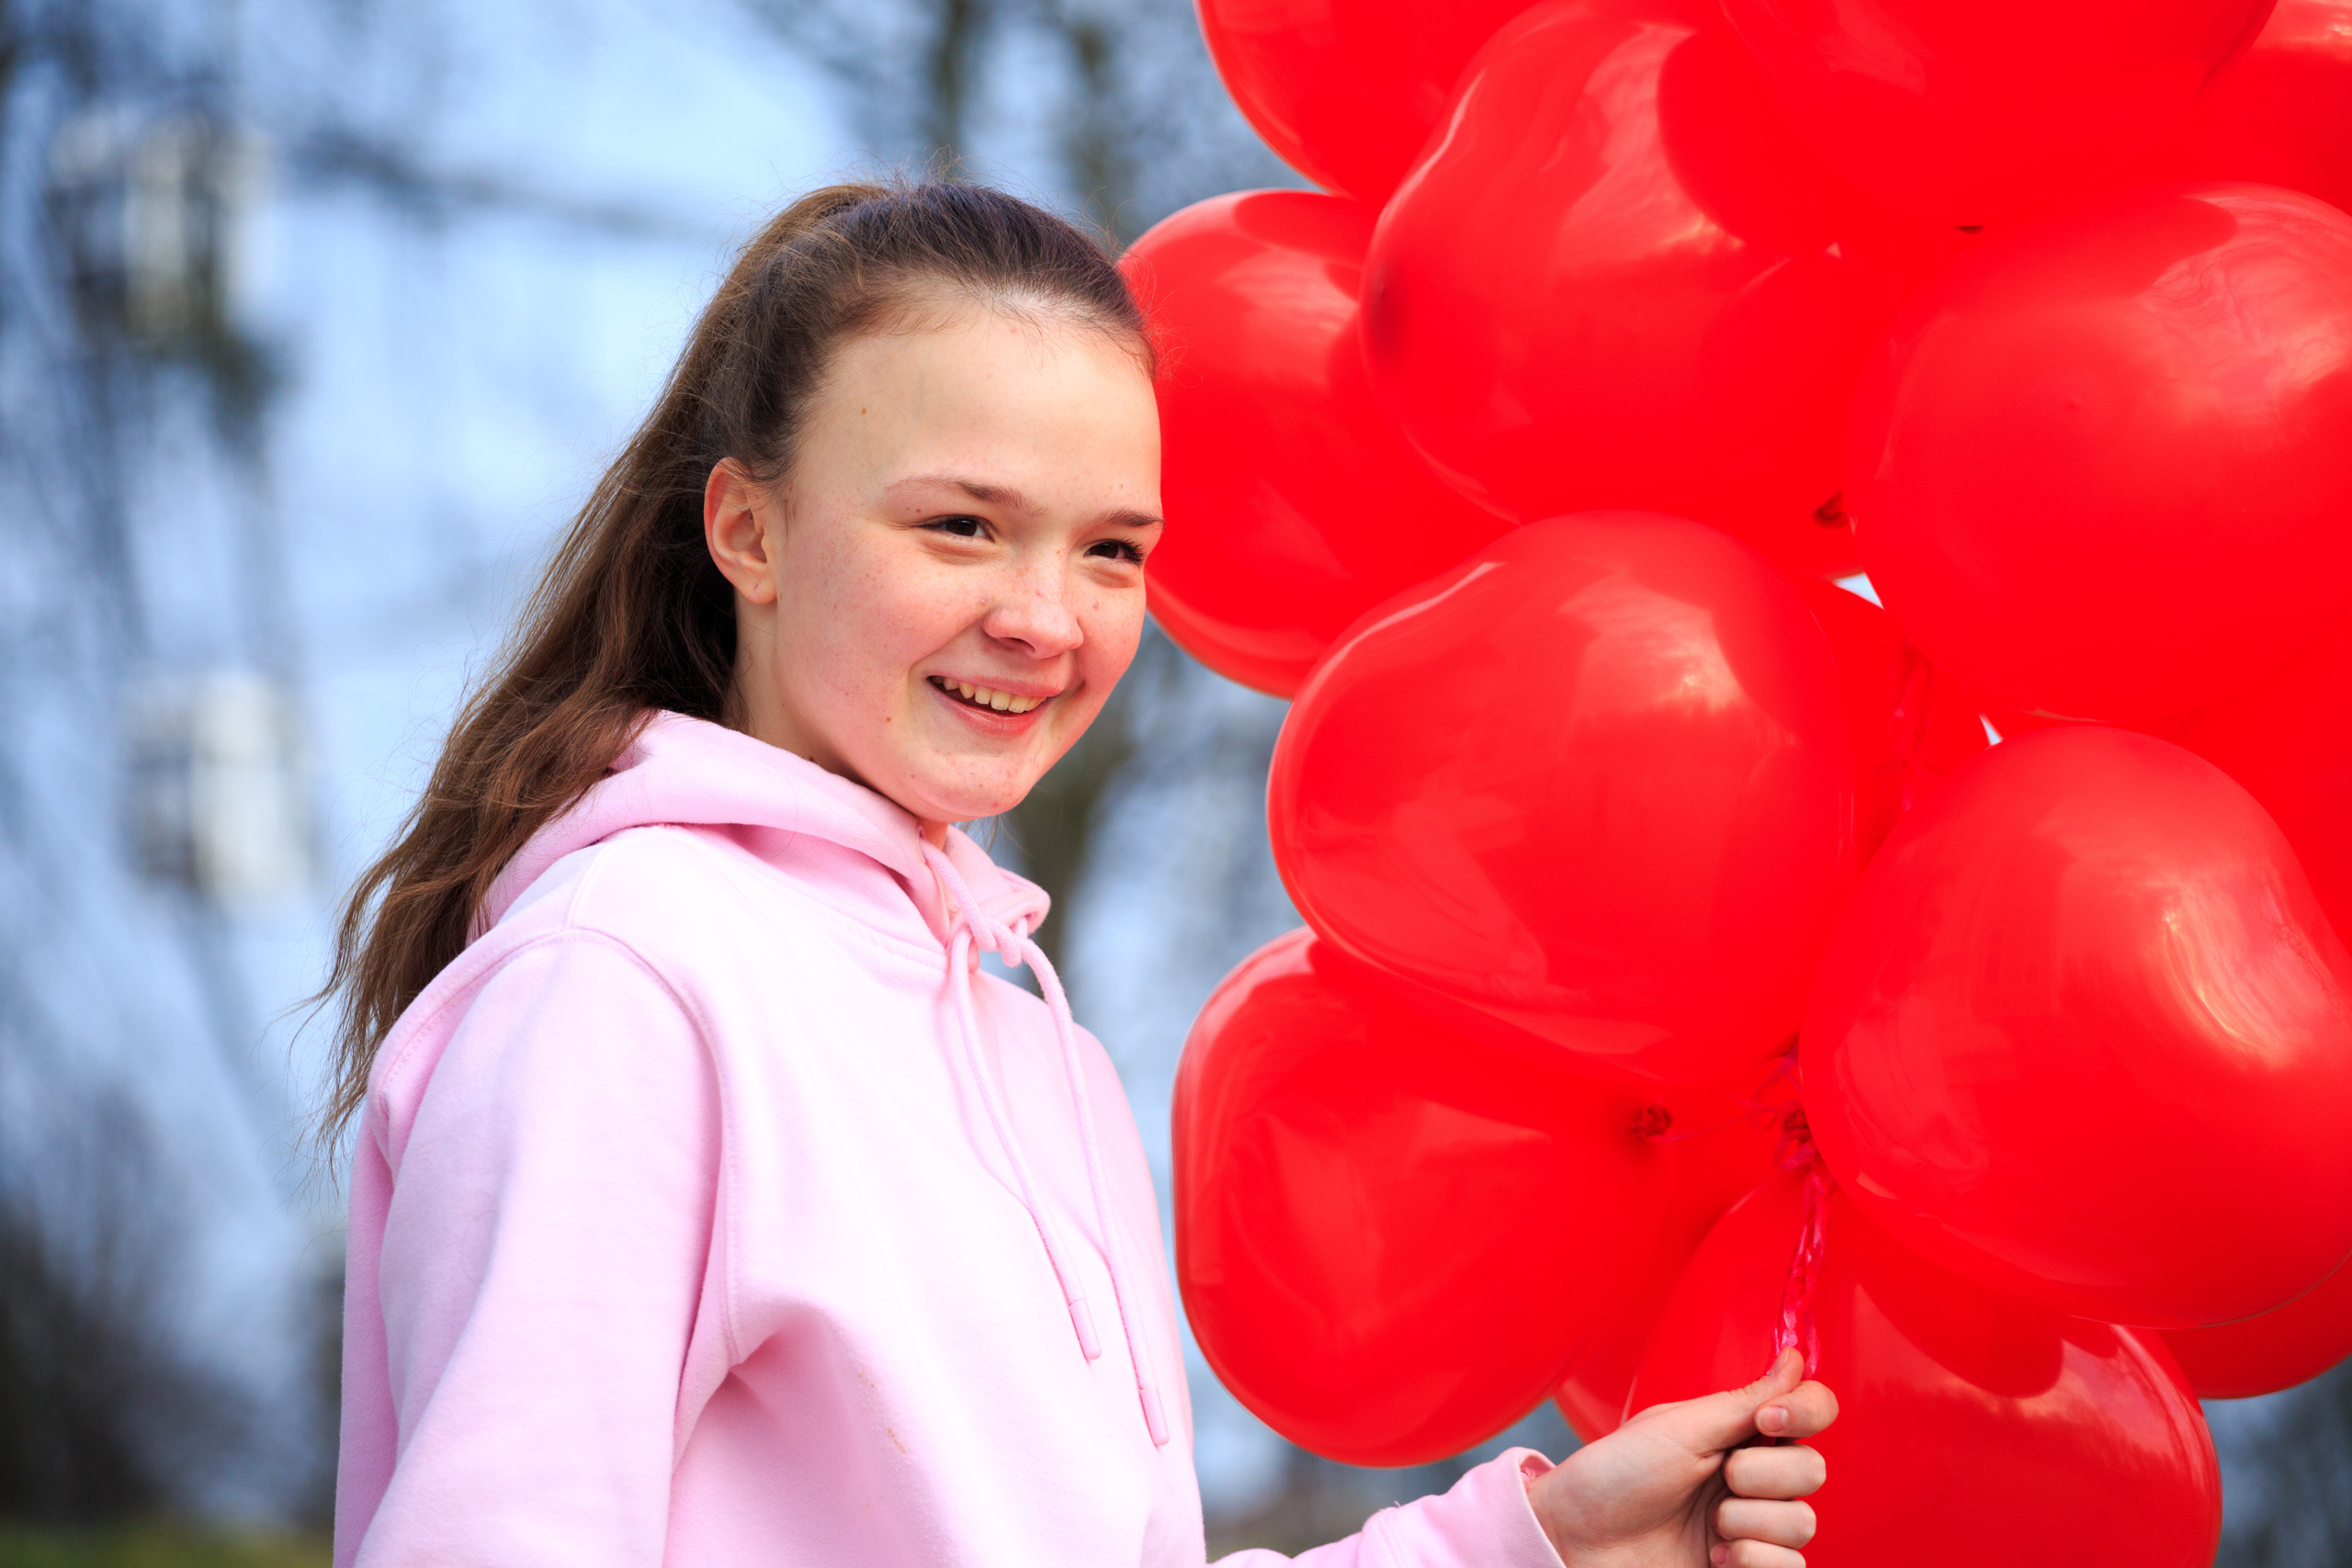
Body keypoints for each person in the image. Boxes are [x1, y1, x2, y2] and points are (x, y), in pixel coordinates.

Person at [318, 180, 1837, 1568]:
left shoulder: (1043, 1050)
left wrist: (1534, 1555)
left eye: (1113, 551)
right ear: (748, 530)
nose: (1047, 617)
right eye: (964, 527)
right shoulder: (624, 983)